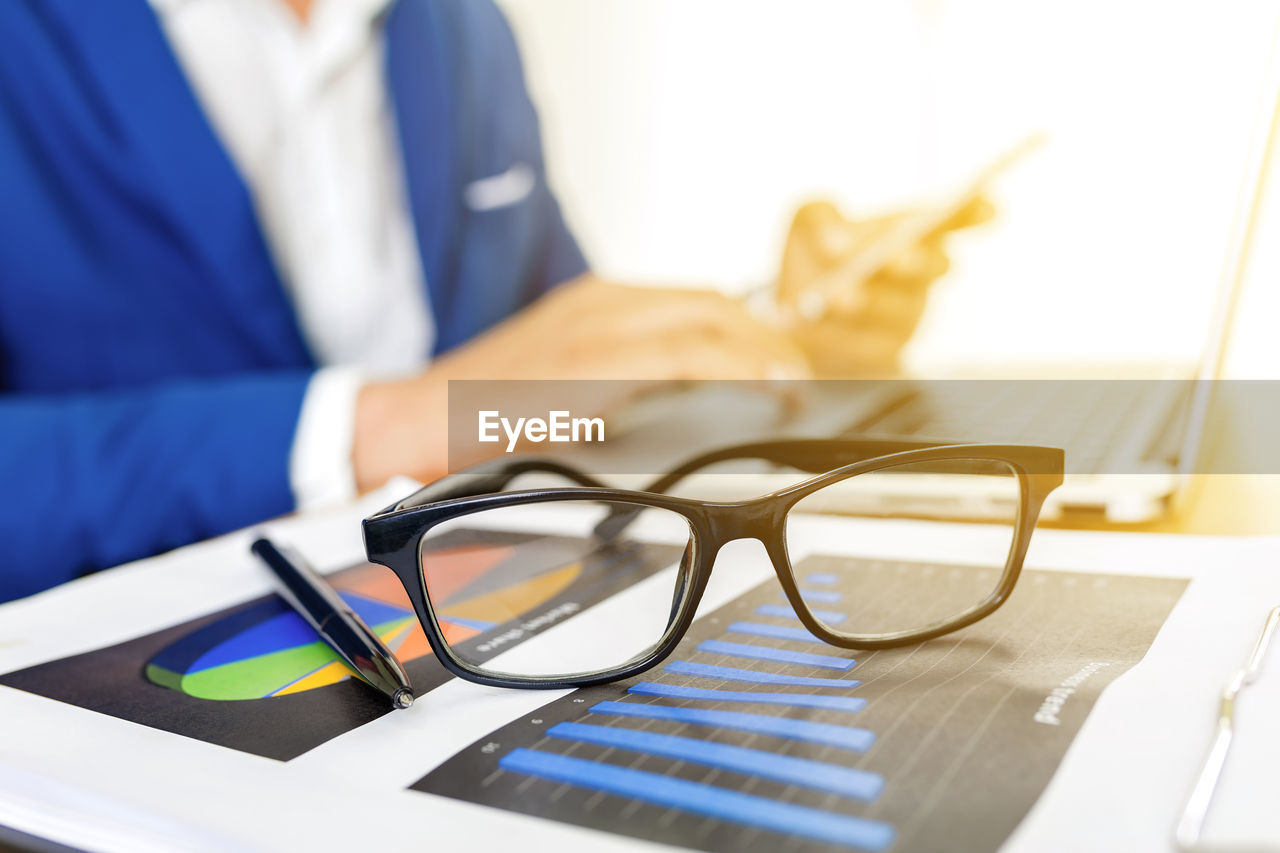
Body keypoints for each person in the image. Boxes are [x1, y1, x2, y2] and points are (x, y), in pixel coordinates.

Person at [0, 0, 985, 602]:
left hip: (485, 604)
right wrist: (368, 425)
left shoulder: (459, 26)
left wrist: (786, 326)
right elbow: (448, 408)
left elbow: (545, 367)